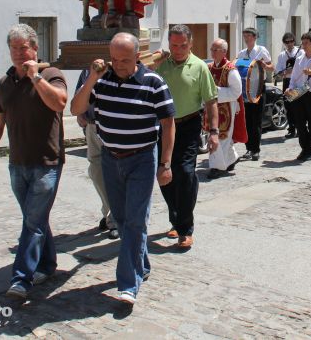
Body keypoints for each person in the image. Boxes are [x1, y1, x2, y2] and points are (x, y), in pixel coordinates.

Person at [71, 32, 175, 305]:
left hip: (142, 158)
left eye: (125, 60)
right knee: (122, 218)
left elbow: (168, 124)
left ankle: (128, 284)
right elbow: (76, 108)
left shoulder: (154, 82)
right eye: (114, 59)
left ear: (138, 58)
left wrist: (165, 163)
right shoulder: (101, 80)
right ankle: (142, 266)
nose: (118, 65)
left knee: (136, 220)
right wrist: (92, 77)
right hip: (110, 158)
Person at [0, 24, 68, 300]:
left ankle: (21, 278)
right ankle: (48, 264)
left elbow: (60, 103)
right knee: (35, 218)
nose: (19, 53)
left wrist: (36, 78)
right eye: (14, 48)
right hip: (17, 163)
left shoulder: (51, 75)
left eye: (24, 47)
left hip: (47, 162)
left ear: (35, 48)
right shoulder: (5, 83)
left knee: (32, 221)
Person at [157, 25, 219, 248]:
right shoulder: (161, 66)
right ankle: (176, 218)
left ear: (191, 44)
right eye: (174, 45)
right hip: (163, 127)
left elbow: (211, 101)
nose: (179, 49)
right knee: (164, 175)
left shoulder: (200, 67)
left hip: (189, 125)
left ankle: (185, 228)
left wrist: (213, 132)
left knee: (185, 173)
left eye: (183, 45)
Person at [74, 71, 118, 239]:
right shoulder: (87, 70)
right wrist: (79, 113)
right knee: (96, 172)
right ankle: (110, 211)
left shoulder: (118, 65)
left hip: (113, 126)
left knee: (114, 173)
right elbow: (80, 93)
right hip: (92, 126)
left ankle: (114, 217)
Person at [285, 31, 311, 161]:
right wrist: (290, 88)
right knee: (300, 122)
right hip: (299, 92)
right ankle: (305, 148)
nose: (303, 46)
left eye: (306, 43)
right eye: (302, 43)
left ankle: (310, 150)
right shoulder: (299, 59)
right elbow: (294, 77)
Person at [206, 39, 244, 178]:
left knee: (221, 136)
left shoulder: (230, 69)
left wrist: (215, 92)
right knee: (217, 135)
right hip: (212, 107)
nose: (213, 52)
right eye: (212, 49)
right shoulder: (209, 67)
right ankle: (231, 158)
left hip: (226, 108)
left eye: (216, 50)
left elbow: (236, 91)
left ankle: (217, 168)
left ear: (224, 52)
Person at [236, 28, 274, 161]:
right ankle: (248, 149)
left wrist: (265, 66)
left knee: (256, 121)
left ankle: (256, 150)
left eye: (248, 36)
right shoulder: (241, 53)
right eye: (244, 36)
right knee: (246, 121)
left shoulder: (261, 50)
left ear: (254, 37)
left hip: (258, 88)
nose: (246, 38)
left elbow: (272, 67)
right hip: (245, 89)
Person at [275, 32, 301, 139]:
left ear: (294, 41)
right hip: (287, 82)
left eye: (291, 41)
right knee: (288, 106)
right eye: (287, 42)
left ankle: (300, 128)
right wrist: (286, 72)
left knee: (298, 106)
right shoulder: (282, 55)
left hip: (297, 82)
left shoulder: (300, 52)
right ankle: (291, 129)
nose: (289, 44)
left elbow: (300, 69)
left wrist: (290, 71)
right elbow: (279, 71)